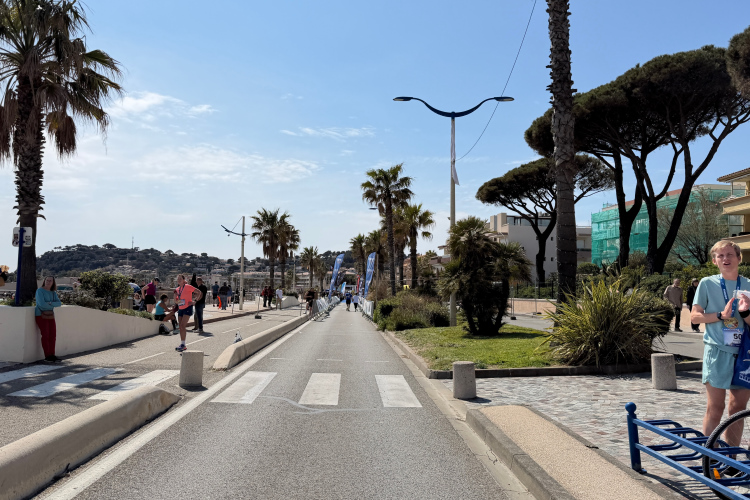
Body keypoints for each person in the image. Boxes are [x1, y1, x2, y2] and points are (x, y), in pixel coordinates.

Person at [691, 239, 750, 446]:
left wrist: (746, 313)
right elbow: (695, 317)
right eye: (720, 256)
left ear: (739, 258)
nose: (726, 259)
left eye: (730, 255)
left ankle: (731, 457)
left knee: (738, 409)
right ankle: (711, 457)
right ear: (714, 261)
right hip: (717, 351)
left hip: (744, 354)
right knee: (715, 407)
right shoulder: (707, 283)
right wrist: (720, 315)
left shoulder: (748, 285)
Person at [35, 276, 62, 362]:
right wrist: (52, 304)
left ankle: (52, 354)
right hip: (40, 315)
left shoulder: (53, 292)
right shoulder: (39, 291)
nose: (48, 282)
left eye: (50, 280)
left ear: (53, 282)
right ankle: (47, 356)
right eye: (47, 280)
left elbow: (59, 303)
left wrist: (49, 303)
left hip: (50, 315)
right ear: (44, 281)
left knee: (53, 335)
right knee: (45, 335)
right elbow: (41, 304)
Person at [173, 274, 202, 352]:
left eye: (180, 279)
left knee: (183, 325)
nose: (179, 280)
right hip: (180, 309)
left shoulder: (188, 287)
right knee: (181, 327)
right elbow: (177, 301)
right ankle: (183, 344)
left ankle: (183, 345)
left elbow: (199, 292)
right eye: (178, 279)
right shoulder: (177, 289)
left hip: (187, 308)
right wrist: (175, 298)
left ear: (183, 280)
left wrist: (194, 301)